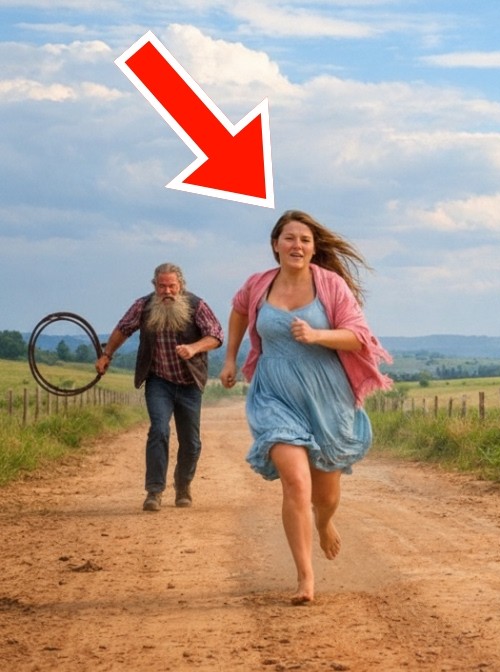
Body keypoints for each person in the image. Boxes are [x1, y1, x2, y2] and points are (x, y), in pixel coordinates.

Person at [219, 210, 392, 605]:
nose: (297, 245)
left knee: (325, 495)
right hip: (274, 394)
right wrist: (230, 357)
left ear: (314, 249)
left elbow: (358, 338)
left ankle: (325, 522)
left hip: (325, 397)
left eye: (305, 240)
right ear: (276, 244)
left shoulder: (329, 285)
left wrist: (317, 335)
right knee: (296, 481)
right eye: (290, 238)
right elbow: (240, 310)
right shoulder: (258, 284)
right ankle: (305, 579)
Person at [96, 263, 224, 510]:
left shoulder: (197, 305)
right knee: (159, 430)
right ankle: (154, 492)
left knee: (191, 442)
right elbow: (123, 329)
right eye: (162, 286)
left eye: (172, 286)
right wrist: (107, 355)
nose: (167, 291)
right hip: (158, 380)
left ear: (181, 286)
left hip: (189, 384)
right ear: (154, 286)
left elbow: (216, 335)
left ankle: (183, 485)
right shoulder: (143, 306)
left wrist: (194, 348)